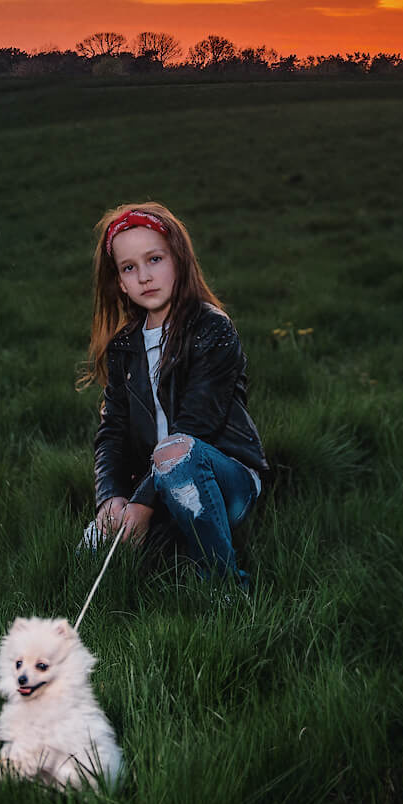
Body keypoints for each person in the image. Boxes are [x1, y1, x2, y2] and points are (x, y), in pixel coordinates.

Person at [78, 202, 267, 583]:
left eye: (155, 259)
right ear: (119, 282)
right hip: (152, 483)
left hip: (220, 477)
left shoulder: (212, 329)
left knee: (175, 454)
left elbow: (197, 427)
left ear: (178, 259)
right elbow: (111, 432)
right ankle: (169, 546)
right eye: (129, 268)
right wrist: (112, 497)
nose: (144, 276)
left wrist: (143, 505)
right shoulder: (123, 347)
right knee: (94, 550)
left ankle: (223, 585)